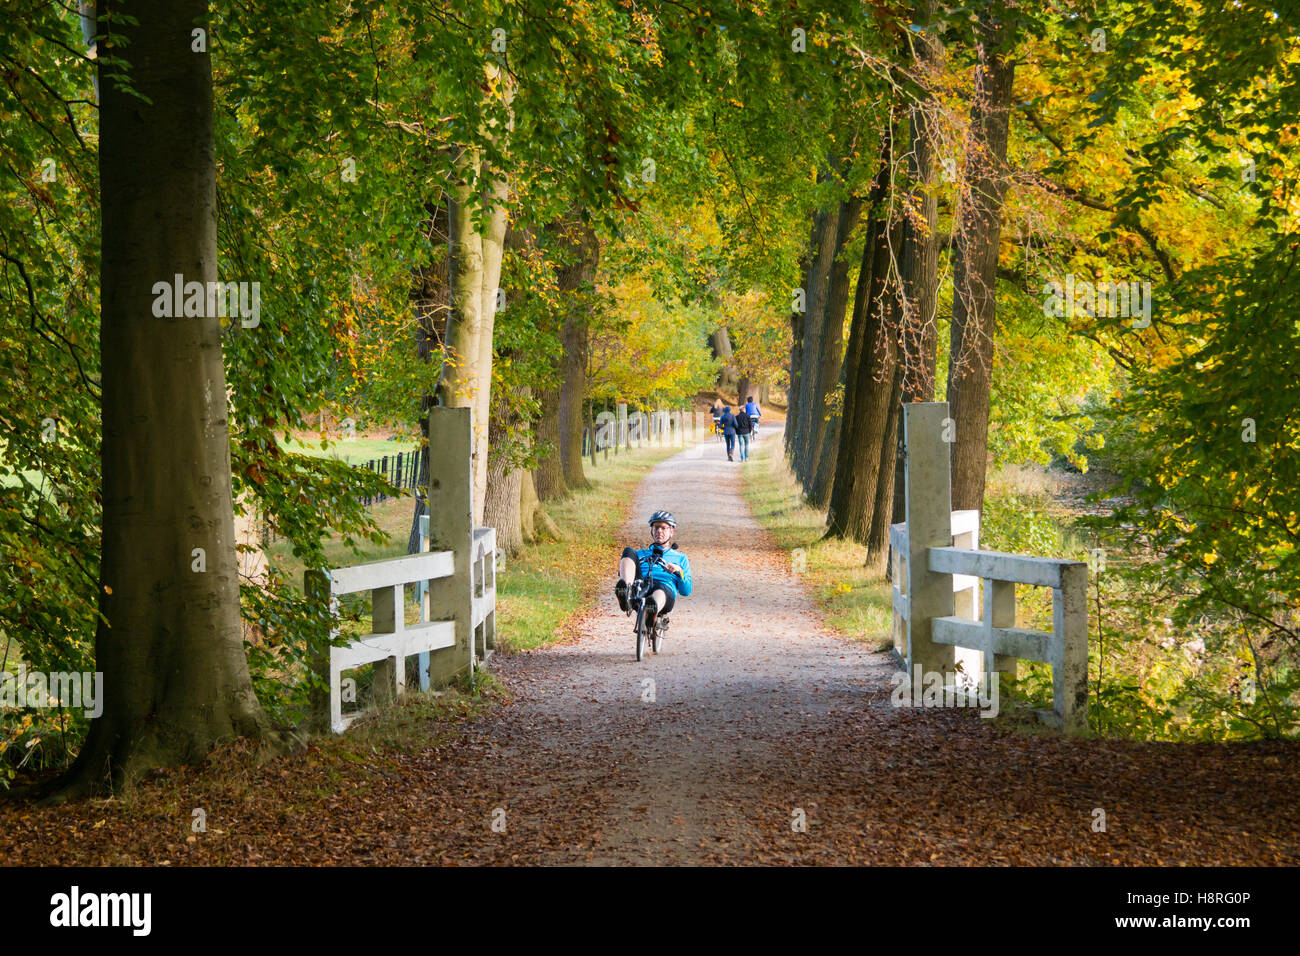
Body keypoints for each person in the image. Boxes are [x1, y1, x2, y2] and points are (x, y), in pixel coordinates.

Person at [614, 510, 692, 630]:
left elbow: (686, 591)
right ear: (651, 530)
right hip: (640, 585)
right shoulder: (640, 553)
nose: (659, 531)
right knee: (629, 551)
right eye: (656, 527)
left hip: (664, 588)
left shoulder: (680, 558)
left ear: (671, 531)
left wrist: (678, 571)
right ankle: (626, 593)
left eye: (663, 528)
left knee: (659, 592)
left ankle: (652, 611)